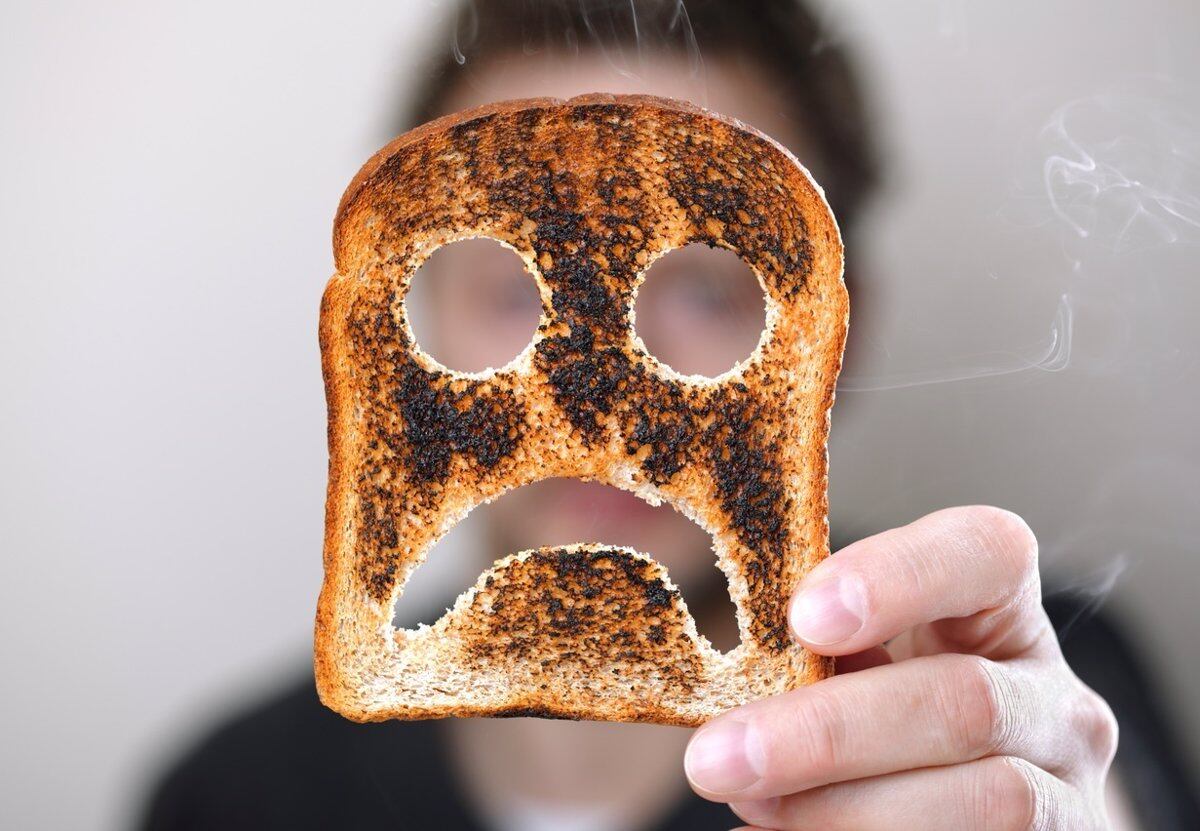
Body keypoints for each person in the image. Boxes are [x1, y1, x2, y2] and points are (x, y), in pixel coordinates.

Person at [138, 2, 1199, 829]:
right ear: (402, 325)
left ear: (833, 338)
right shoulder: (234, 794)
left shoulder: (1016, 678)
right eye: (513, 289)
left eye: (702, 288)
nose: (595, 396)